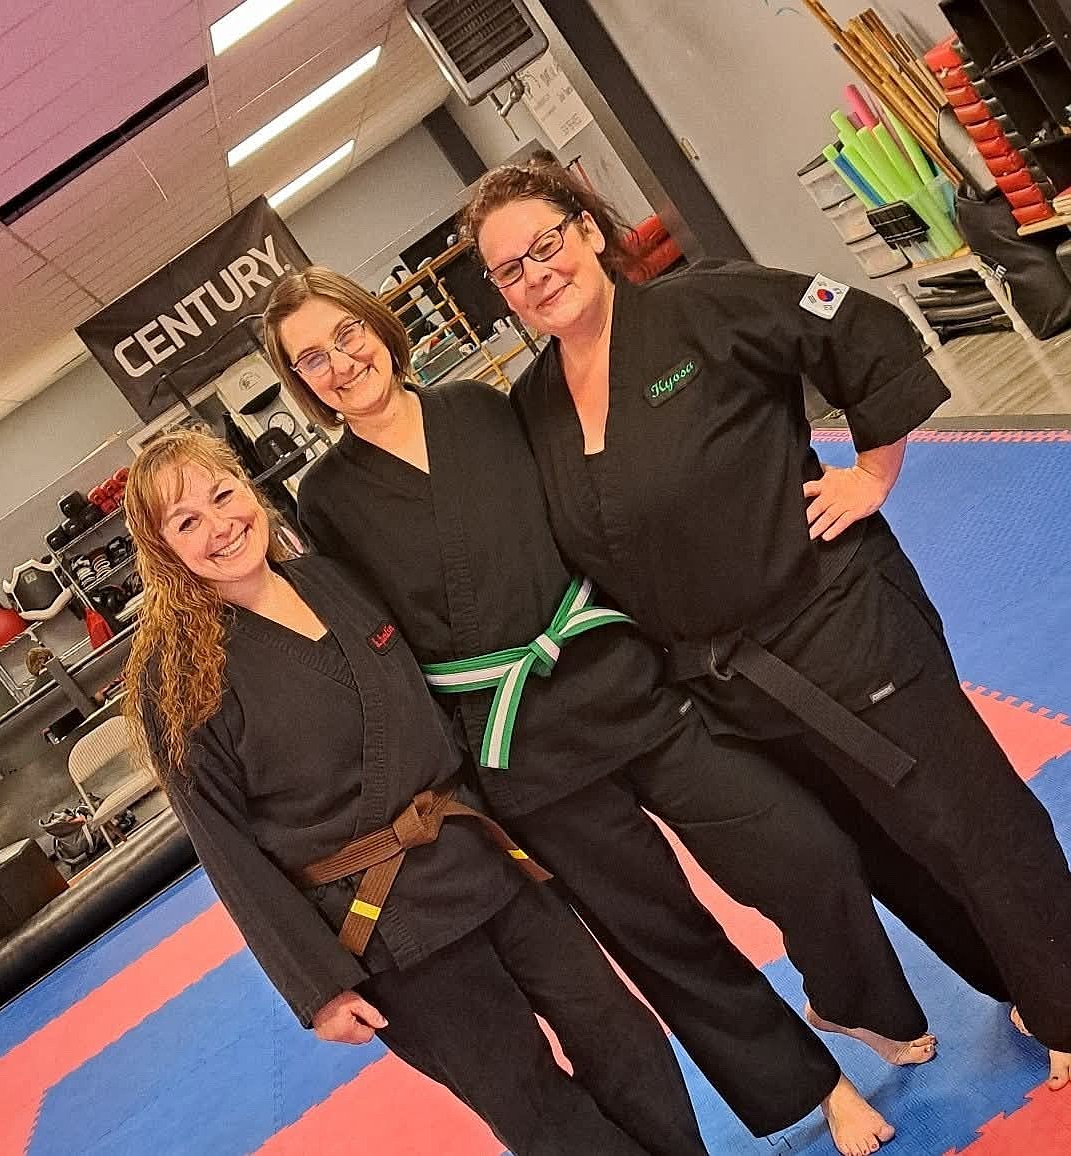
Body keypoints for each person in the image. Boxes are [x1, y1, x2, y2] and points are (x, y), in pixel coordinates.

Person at [262, 268, 931, 1156]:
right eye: (312, 358)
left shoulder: (481, 409)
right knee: (664, 935)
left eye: (347, 336)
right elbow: (378, 648)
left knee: (807, 851)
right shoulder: (328, 499)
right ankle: (817, 1087)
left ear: (380, 328)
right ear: (300, 384)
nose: (341, 364)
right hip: (518, 747)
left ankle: (850, 999)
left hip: (619, 680)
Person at [459, 158, 1071, 1091]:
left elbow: (859, 328)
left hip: (837, 620)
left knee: (967, 815)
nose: (537, 272)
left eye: (546, 243)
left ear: (589, 229)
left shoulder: (705, 306)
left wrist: (871, 476)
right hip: (727, 686)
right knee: (880, 848)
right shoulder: (535, 404)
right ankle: (1014, 980)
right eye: (510, 268)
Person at [120, 429, 707, 1156]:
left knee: (620, 1030)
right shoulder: (175, 684)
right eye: (186, 522)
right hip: (384, 921)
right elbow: (224, 848)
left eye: (222, 494)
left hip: (480, 856)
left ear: (250, 489)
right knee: (524, 1096)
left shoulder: (332, 580)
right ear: (162, 552)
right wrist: (318, 986)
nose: (220, 526)